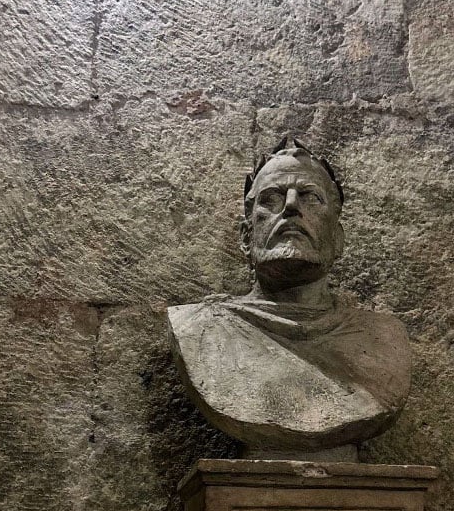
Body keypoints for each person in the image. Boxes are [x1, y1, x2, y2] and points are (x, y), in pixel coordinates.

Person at [167, 138, 411, 461]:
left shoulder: (384, 340)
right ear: (245, 237)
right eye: (272, 198)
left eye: (310, 197)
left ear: (338, 240)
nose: (291, 206)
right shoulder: (199, 329)